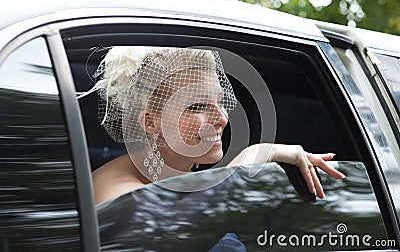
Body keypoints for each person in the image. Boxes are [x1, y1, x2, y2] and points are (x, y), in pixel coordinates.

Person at [79, 46, 345, 204]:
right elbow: (187, 217)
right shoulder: (116, 190)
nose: (222, 118)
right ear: (150, 122)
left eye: (219, 101)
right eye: (196, 106)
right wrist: (258, 154)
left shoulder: (178, 175)